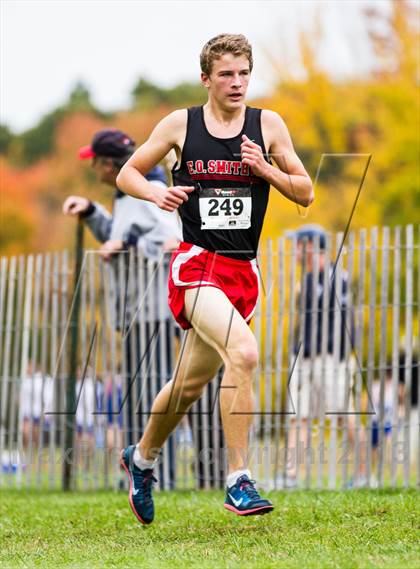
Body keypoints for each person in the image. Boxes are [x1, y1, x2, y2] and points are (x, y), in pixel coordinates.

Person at [117, 33, 313, 524]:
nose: (237, 83)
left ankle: (140, 460)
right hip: (196, 264)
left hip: (243, 272)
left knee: (187, 385)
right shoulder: (179, 124)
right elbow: (128, 174)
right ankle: (238, 481)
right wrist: (154, 194)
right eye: (226, 74)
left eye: (243, 73)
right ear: (206, 78)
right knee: (244, 353)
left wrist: (265, 169)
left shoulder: (267, 125)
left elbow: (306, 192)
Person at [63, 128, 182, 489]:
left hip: (154, 313)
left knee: (156, 395)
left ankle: (164, 476)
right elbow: (118, 236)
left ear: (108, 163)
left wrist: (126, 241)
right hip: (136, 314)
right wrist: (92, 212)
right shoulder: (127, 195)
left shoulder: (150, 190)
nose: (93, 169)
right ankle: (139, 474)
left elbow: (171, 238)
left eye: (95, 162)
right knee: (137, 395)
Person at [285, 224, 356, 487]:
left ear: (310, 247)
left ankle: (361, 476)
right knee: (298, 415)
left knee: (342, 414)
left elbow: (346, 321)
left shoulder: (338, 277)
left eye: (298, 245)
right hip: (305, 357)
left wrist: (339, 354)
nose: (294, 250)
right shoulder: (305, 281)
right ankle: (291, 476)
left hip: (331, 358)